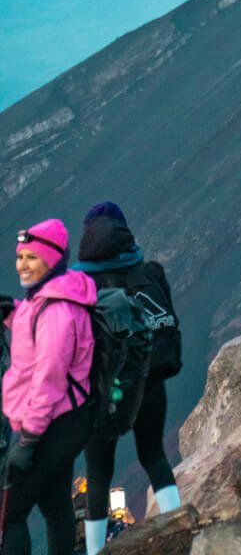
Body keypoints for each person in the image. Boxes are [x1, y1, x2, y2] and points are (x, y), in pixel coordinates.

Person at [72, 203, 182, 553]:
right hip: (150, 382)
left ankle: (93, 550)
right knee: (153, 456)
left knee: (98, 472)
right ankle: (180, 526)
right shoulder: (150, 272)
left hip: (103, 392)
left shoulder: (81, 285)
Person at [1, 218, 95, 555]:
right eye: (20, 256)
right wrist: (12, 315)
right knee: (55, 505)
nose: (22, 265)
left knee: (10, 515)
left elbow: (49, 378)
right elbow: (37, 341)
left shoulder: (57, 308)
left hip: (51, 424)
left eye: (32, 257)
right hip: (64, 420)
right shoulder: (48, 295)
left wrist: (28, 439)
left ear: (52, 260)